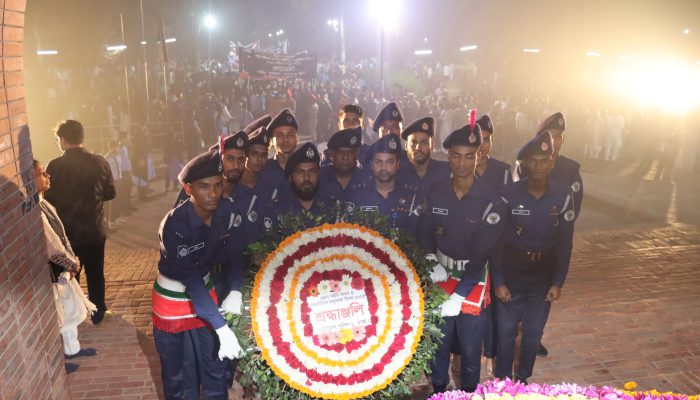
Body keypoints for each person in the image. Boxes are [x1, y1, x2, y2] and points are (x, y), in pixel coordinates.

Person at [417, 120, 506, 394]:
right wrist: (430, 258)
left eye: (469, 156)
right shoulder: (436, 192)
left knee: (469, 349)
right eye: (456, 155)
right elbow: (424, 230)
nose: (462, 163)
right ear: (448, 156)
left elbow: (481, 256)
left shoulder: (491, 201)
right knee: (439, 345)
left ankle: (468, 393)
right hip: (440, 273)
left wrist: (459, 295)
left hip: (473, 280)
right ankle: (440, 392)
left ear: (479, 156)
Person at [152, 150, 244, 399]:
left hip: (205, 294)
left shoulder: (226, 211)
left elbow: (235, 253)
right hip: (173, 299)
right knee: (178, 375)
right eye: (204, 187)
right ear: (188, 188)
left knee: (214, 366)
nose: (213, 194)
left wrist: (235, 288)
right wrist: (222, 328)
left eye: (217, 185)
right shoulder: (174, 226)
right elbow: (190, 280)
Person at [492, 131, 576, 384]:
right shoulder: (509, 193)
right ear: (525, 163)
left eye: (544, 160)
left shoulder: (563, 195)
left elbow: (564, 243)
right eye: (533, 160)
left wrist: (558, 282)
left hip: (543, 274)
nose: (538, 166)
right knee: (506, 331)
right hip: (512, 270)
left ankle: (523, 378)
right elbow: (497, 242)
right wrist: (498, 281)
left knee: (532, 332)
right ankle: (503, 379)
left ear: (553, 162)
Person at [45, 120, 116, 324]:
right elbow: (110, 192)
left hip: (68, 232)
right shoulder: (99, 161)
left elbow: (48, 198)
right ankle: (98, 312)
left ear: (63, 140)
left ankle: (73, 314)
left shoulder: (55, 166)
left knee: (70, 274)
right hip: (94, 228)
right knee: (96, 272)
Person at [35, 160, 98, 375]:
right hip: (51, 272)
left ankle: (73, 349)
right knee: (58, 315)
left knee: (69, 309)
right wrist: (71, 263)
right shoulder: (33, 209)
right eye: (41, 173)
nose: (48, 176)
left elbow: (60, 238)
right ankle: (57, 361)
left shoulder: (44, 203)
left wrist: (72, 260)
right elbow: (49, 245)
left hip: (62, 268)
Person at [474, 114, 513, 371]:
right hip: (471, 247)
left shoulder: (502, 170)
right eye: (478, 140)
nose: (482, 145)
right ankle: (476, 350)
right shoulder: (460, 168)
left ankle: (491, 351)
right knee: (474, 302)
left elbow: (509, 212)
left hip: (497, 247)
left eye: (487, 140)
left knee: (495, 302)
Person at [348, 135, 421, 239]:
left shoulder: (411, 197)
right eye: (378, 162)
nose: (383, 168)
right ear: (372, 165)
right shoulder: (358, 196)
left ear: (398, 164)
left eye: (389, 162)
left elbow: (416, 237)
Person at [262, 142, 338, 236]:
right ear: (290, 177)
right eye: (300, 172)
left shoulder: (333, 208)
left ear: (319, 175)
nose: (307, 178)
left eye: (312, 172)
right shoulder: (276, 211)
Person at [396, 116, 450, 195]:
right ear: (406, 146)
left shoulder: (445, 171)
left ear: (432, 146)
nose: (418, 148)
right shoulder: (398, 173)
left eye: (424, 143)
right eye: (413, 143)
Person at [317, 127, 368, 203]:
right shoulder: (318, 178)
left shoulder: (367, 180)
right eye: (340, 152)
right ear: (331, 154)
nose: (345, 157)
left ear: (356, 154)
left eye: (350, 152)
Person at [260, 108, 299, 199]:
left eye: (290, 135)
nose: (285, 139)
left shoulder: (306, 168)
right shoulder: (263, 169)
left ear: (297, 138)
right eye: (279, 135)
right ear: (272, 141)